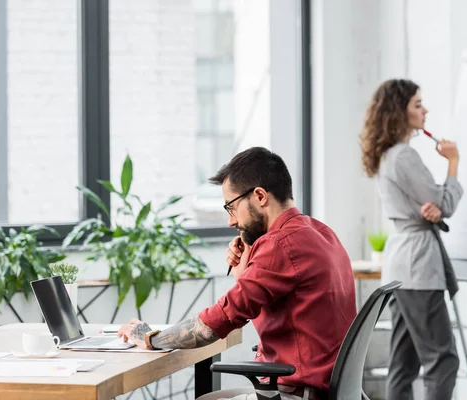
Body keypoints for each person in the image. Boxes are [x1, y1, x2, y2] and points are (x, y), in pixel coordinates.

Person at [117, 146, 357, 400]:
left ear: (260, 196)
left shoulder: (279, 245)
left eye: (231, 207)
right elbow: (258, 301)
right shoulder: (319, 231)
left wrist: (150, 337)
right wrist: (247, 264)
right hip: (322, 388)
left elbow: (216, 322)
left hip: (295, 392)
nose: (231, 221)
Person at [360, 79, 463, 399]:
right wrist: (453, 163)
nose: (425, 109)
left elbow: (435, 207)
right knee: (442, 361)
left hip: (402, 266)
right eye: (417, 104)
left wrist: (435, 208)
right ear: (398, 112)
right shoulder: (403, 155)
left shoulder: (387, 155)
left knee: (403, 364)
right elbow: (443, 204)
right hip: (418, 267)